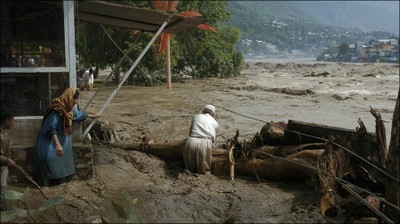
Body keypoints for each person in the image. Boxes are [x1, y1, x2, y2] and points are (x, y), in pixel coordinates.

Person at [35, 88, 99, 187]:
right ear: (69, 98)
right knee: (47, 168)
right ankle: (45, 186)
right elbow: (51, 129)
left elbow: (77, 115)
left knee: (61, 173)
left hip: (58, 145)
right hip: (48, 144)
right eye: (75, 99)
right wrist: (58, 145)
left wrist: (91, 116)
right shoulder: (56, 110)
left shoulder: (68, 109)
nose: (76, 102)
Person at [183, 105, 219, 175]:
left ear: (203, 111)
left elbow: (190, 133)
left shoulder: (196, 117)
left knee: (190, 167)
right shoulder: (215, 123)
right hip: (205, 143)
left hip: (191, 141)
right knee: (204, 170)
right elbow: (213, 139)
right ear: (213, 114)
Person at [1, 108, 16, 211]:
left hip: (3, 167)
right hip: (1, 168)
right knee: (2, 189)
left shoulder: (4, 134)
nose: (13, 123)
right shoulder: (1, 136)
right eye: (12, 120)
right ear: (7, 121)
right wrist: (7, 160)